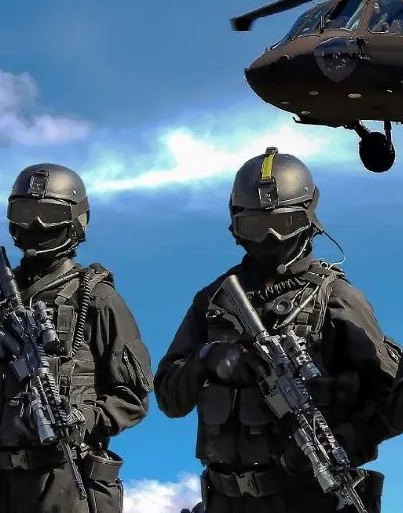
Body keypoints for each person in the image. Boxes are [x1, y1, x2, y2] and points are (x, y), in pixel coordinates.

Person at [154, 148, 401, 513]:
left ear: (308, 218)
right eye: (254, 226)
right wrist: (207, 360)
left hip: (310, 496)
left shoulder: (336, 296)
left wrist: (342, 440)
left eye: (283, 225)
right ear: (236, 224)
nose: (269, 238)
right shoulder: (213, 300)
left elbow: (392, 402)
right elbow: (169, 399)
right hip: (225, 500)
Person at [0, 162, 153, 513]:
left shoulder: (97, 297)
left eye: (48, 215)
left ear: (74, 221)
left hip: (62, 480)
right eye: (26, 213)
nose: (36, 225)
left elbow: (133, 397)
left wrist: (84, 417)